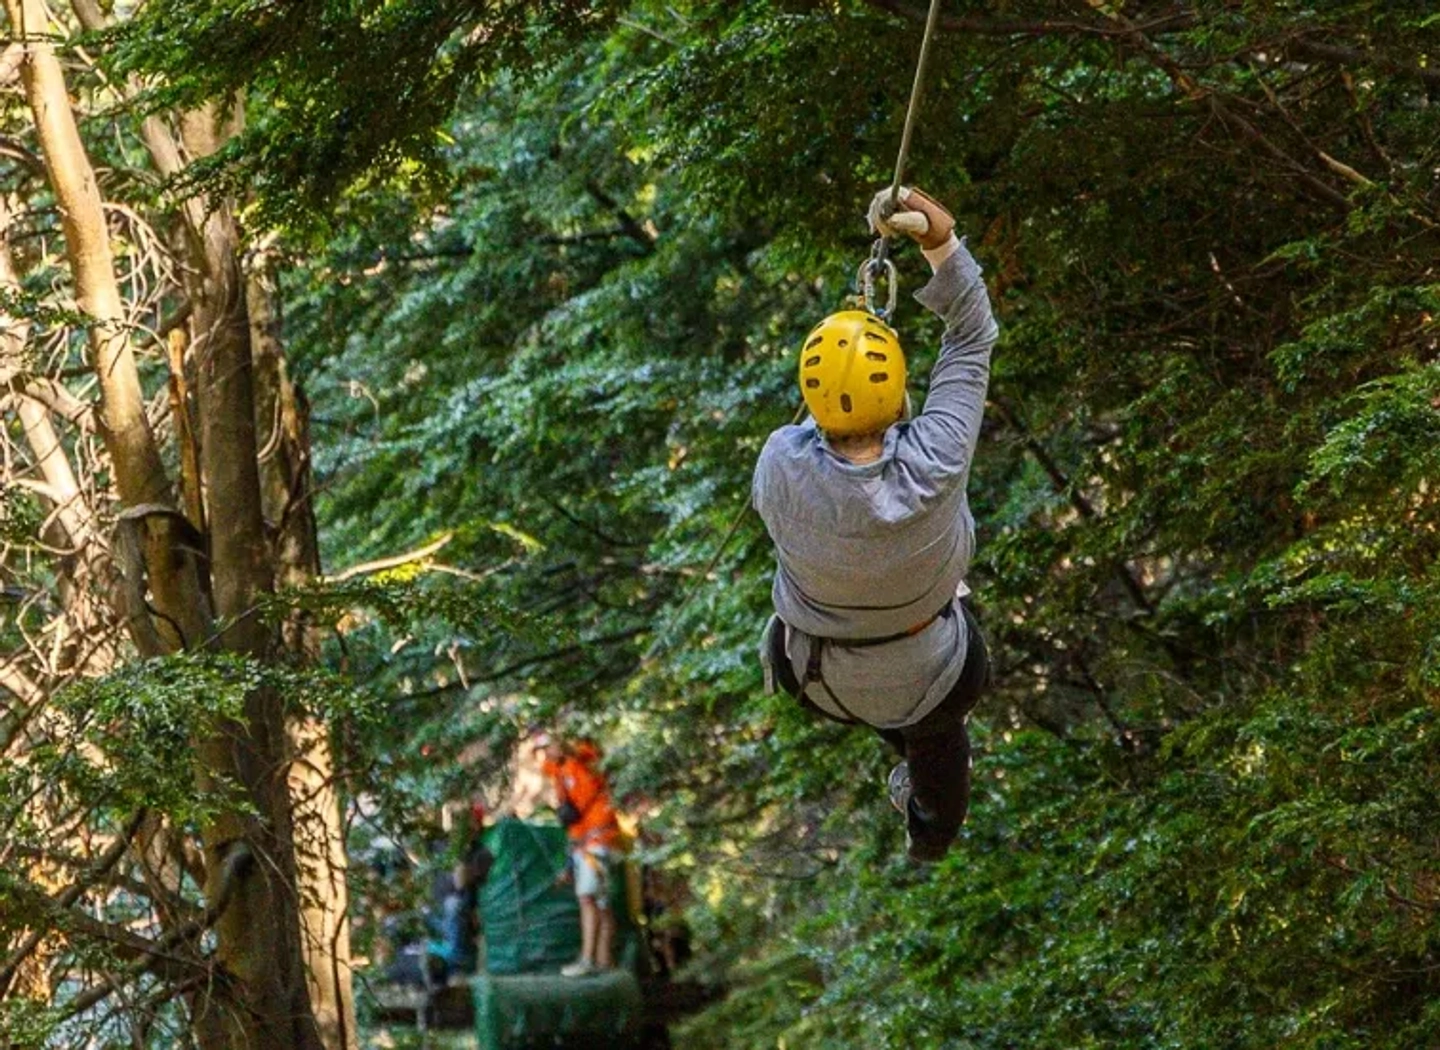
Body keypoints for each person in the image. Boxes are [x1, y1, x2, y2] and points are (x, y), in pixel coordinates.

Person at [753, 185, 998, 864]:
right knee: (935, 724)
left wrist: (855, 339)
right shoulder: (938, 457)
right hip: (934, 670)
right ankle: (931, 832)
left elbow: (824, 429)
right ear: (897, 395)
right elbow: (971, 334)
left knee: (908, 706)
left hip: (815, 673)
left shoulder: (779, 463)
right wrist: (938, 241)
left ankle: (911, 755)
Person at [541, 736, 623, 977]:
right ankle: (604, 961)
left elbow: (589, 758)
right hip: (584, 842)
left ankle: (587, 960)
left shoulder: (583, 762)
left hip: (598, 840)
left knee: (588, 897)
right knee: (601, 902)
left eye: (548, 746)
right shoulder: (558, 770)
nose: (545, 753)